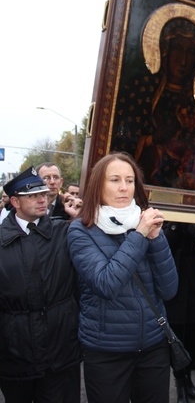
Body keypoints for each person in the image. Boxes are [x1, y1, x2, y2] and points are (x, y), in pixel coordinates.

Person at [66, 151, 178, 403]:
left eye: (130, 180)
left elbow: (170, 290)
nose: (124, 187)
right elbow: (106, 284)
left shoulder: (144, 222)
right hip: (106, 351)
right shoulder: (81, 230)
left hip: (152, 345)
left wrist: (156, 239)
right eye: (114, 180)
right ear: (98, 184)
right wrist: (139, 235)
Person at [112, 17, 195, 193]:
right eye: (178, 49)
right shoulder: (140, 89)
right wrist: (151, 140)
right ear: (165, 50)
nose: (183, 61)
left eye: (192, 53)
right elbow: (120, 141)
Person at [0, 166, 81, 403]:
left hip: (61, 353)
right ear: (15, 202)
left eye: (43, 194)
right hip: (15, 356)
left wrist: (80, 220)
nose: (41, 199)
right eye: (33, 195)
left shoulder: (63, 232)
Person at [163, 221, 195, 403]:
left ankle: (188, 374)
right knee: (175, 337)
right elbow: (166, 243)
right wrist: (176, 225)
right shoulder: (167, 218)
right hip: (172, 280)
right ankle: (180, 382)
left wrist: (190, 226)